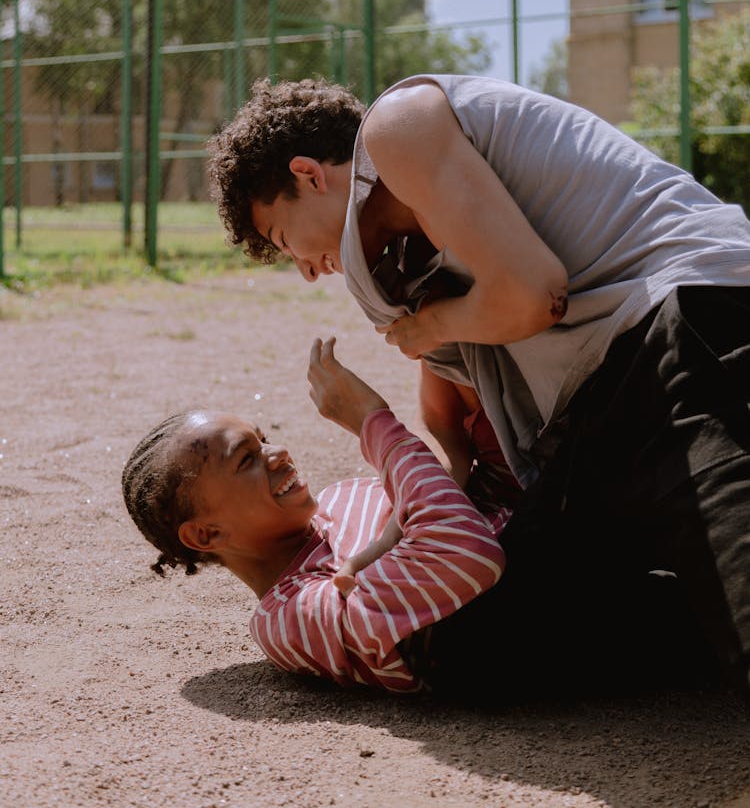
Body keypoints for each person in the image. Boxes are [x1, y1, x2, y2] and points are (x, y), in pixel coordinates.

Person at [208, 73, 750, 695]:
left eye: (284, 240)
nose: (305, 271)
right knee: (481, 626)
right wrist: (386, 540)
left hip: (686, 318)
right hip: (606, 393)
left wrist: (422, 340)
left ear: (309, 174)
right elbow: (455, 434)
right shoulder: (405, 251)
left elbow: (531, 295)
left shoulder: (399, 126)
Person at [122, 338, 514, 695]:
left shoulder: (338, 500)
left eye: (263, 439)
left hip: (520, 496)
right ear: (206, 534)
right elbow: (466, 550)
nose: (278, 453)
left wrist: (435, 338)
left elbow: (450, 477)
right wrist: (371, 422)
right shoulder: (290, 618)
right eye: (247, 459)